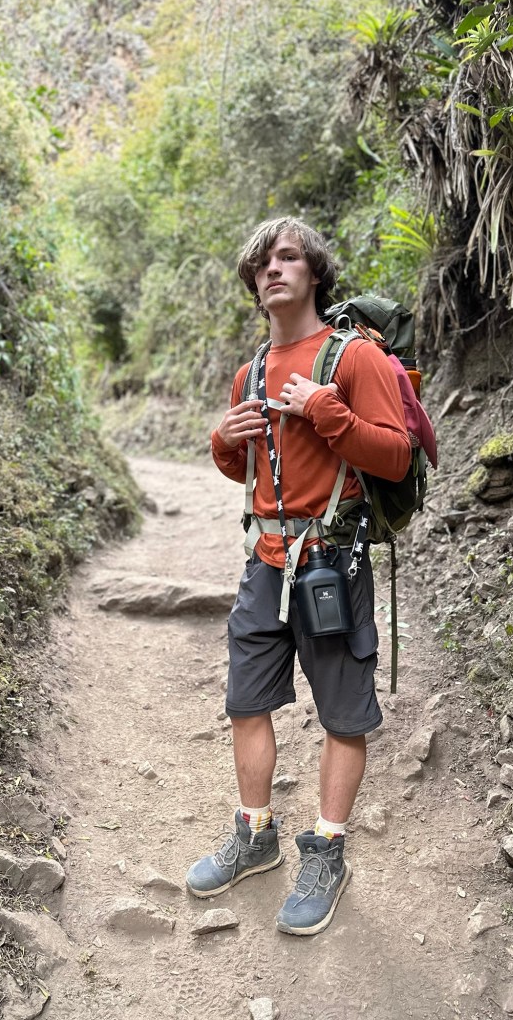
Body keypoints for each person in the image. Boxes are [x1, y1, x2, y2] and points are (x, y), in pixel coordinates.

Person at [185, 217, 411, 936]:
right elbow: (240, 468)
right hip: (265, 563)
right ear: (254, 285)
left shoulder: (354, 359)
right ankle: (256, 835)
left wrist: (327, 412)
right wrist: (224, 439)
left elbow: (397, 458)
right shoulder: (249, 371)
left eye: (289, 258)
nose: (273, 269)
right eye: (262, 264)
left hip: (332, 565)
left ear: (315, 273)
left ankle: (329, 848)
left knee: (344, 713)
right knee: (246, 703)